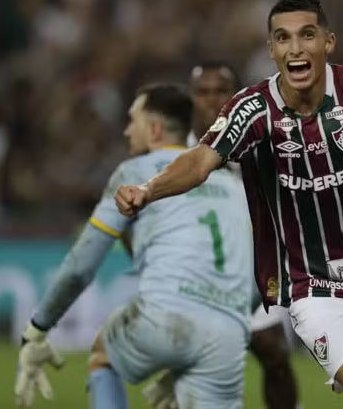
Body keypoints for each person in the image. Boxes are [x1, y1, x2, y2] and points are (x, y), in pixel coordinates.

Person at [115, 0, 343, 409]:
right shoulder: (252, 109)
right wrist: (147, 190)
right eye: (283, 38)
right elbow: (199, 161)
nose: (295, 48)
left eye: (307, 35)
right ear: (271, 50)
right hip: (315, 286)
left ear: (328, 42)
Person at [14, 84, 254, 409]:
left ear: (154, 129)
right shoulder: (232, 183)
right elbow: (260, 280)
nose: (127, 130)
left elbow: (81, 266)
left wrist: (37, 329)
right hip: (228, 333)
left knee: (103, 354)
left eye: (133, 121)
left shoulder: (134, 174)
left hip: (166, 316)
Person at [188, 61, 300, 409]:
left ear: (235, 98)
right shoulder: (174, 152)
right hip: (194, 276)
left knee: (274, 352)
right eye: (202, 92)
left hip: (252, 273)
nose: (210, 100)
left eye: (219, 91)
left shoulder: (259, 144)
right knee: (193, 368)